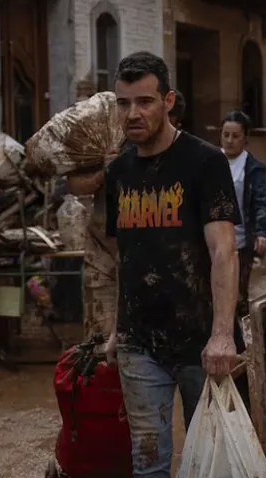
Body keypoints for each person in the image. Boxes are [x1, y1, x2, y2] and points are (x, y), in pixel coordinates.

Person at [103, 51, 239, 478]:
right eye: (123, 103)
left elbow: (222, 252)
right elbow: (123, 260)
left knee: (205, 448)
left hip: (198, 340)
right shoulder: (117, 174)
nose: (133, 114)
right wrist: (115, 327)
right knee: (150, 460)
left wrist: (222, 333)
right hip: (140, 341)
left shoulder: (205, 163)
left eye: (144, 102)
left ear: (168, 102)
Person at [68, 93, 186, 340]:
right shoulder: (111, 139)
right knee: (99, 339)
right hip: (102, 255)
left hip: (150, 261)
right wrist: (106, 173)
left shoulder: (184, 157)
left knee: (145, 340)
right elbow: (76, 185)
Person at [219, 110, 266, 319]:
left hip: (240, 240)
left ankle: (240, 341)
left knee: (238, 293)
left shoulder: (253, 168)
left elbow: (261, 202)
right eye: (225, 135)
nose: (229, 140)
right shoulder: (211, 162)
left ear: (245, 138)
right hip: (213, 239)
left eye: (235, 136)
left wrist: (261, 232)